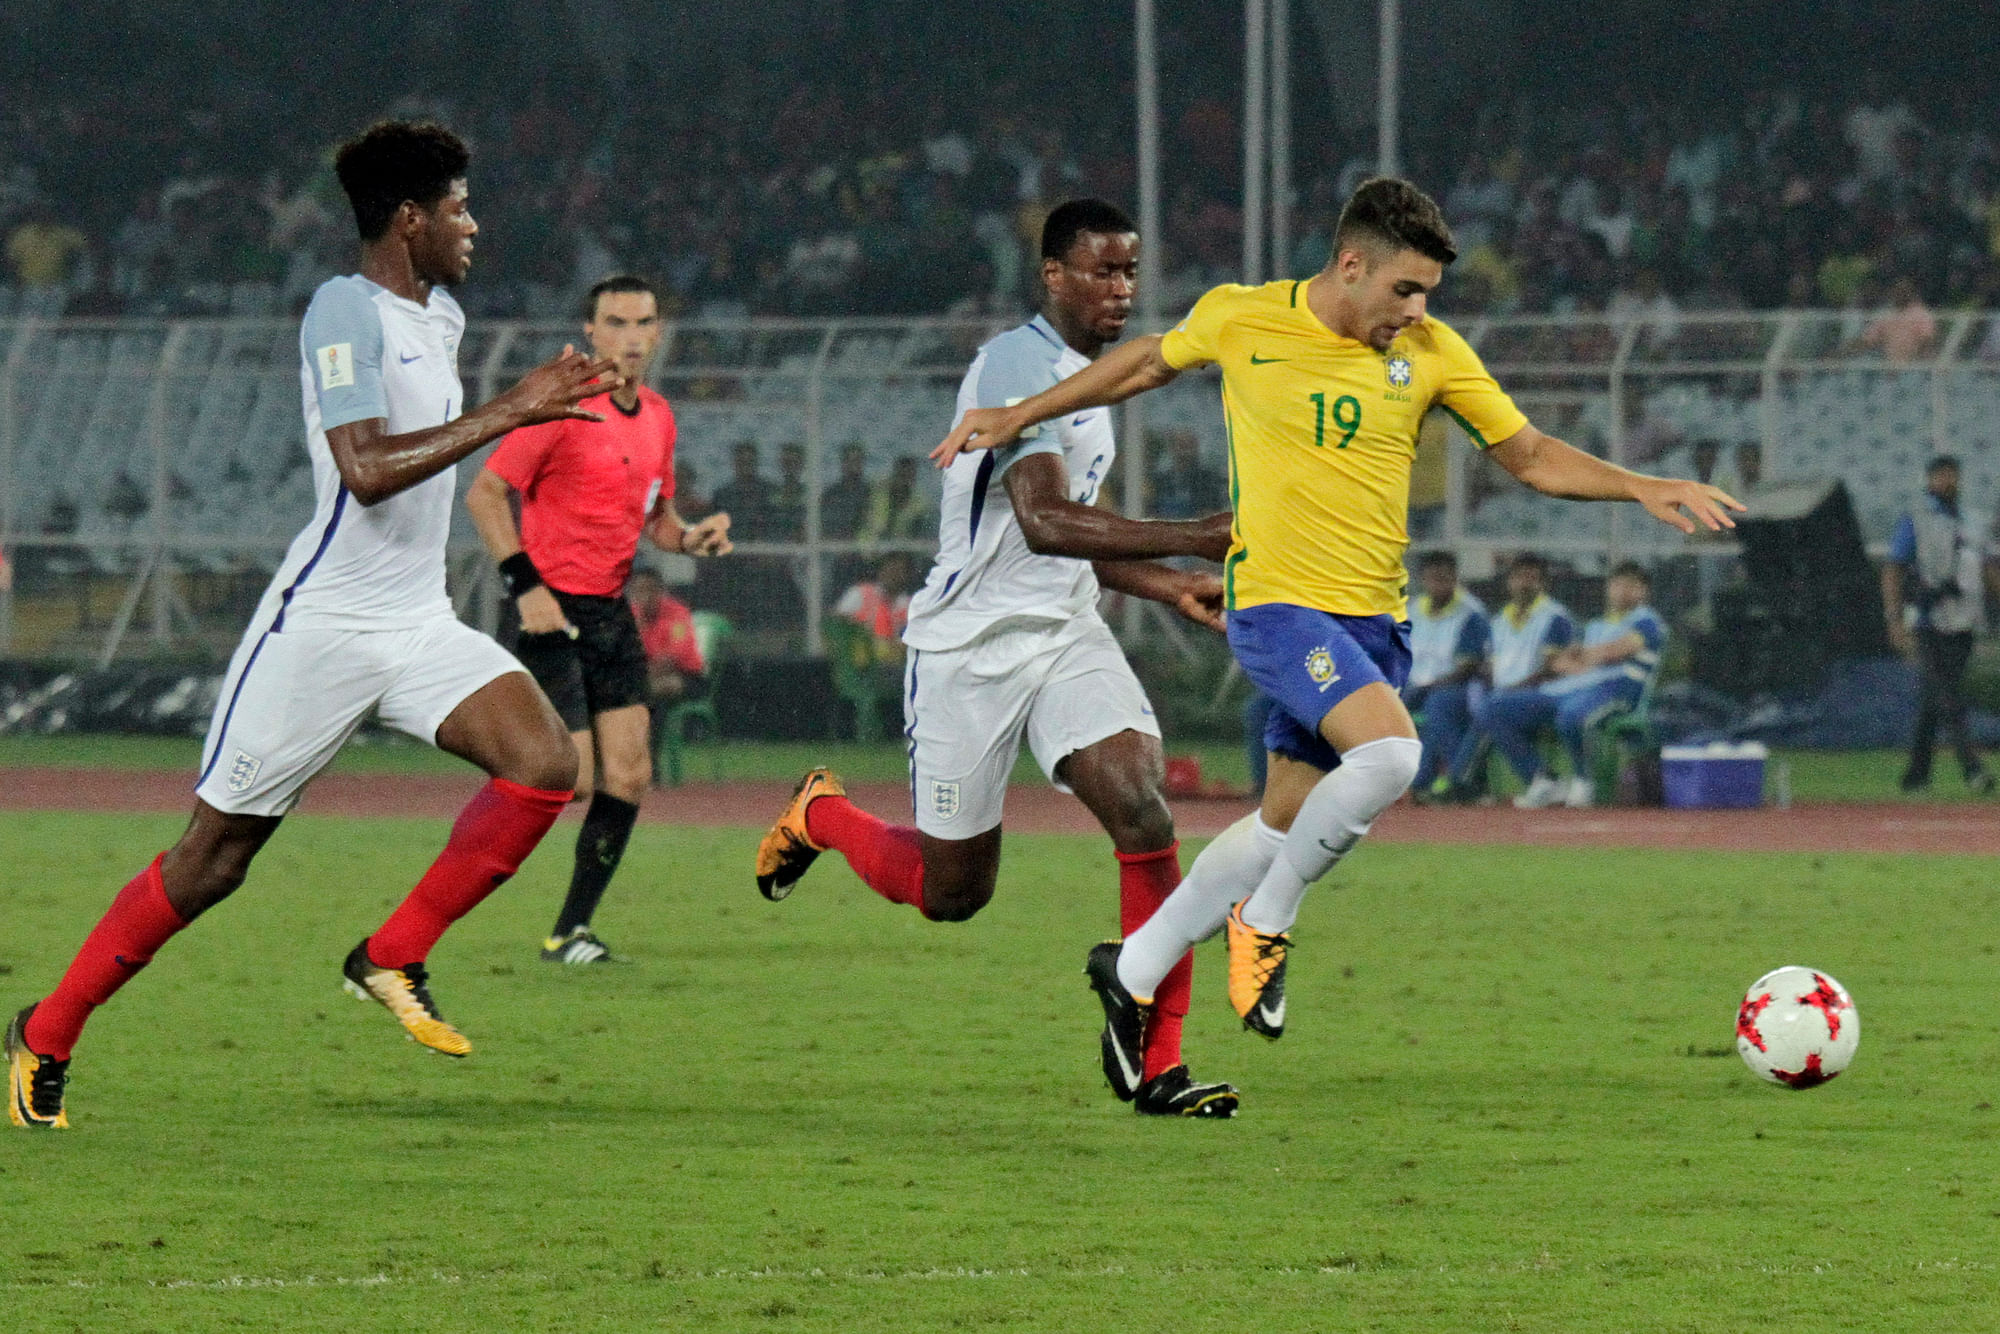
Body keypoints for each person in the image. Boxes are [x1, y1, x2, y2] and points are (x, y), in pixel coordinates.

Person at [931, 176, 1739, 1072]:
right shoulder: (1245, 318)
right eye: (1404, 289)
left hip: (1373, 622)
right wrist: (1020, 413)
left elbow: (1532, 456)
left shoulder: (1432, 351)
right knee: (1392, 756)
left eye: (1428, 293)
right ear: (1351, 266)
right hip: (1278, 605)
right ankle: (1266, 923)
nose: (1417, 309)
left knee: (1278, 828)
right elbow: (1147, 362)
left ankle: (1134, 965)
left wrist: (1640, 485)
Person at [6, 120, 617, 1130]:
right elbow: (367, 471)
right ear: (408, 218)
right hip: (321, 625)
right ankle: (49, 1028)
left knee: (545, 761)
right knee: (214, 859)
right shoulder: (343, 309)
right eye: (458, 206)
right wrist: (513, 409)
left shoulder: (443, 315)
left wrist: (536, 404)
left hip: (415, 620)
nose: (473, 223)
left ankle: (390, 952)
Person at [754, 199, 1242, 1118]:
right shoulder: (1018, 365)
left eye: (1131, 271)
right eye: (1102, 270)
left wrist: (1167, 585)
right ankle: (822, 815)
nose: (1121, 289)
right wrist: (1198, 539)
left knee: (1143, 811)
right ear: (1052, 275)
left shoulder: (1087, 380)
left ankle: (1158, 1062)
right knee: (952, 895)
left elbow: (1077, 541)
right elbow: (1046, 521)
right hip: (968, 651)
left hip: (1064, 635)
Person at [466, 274, 734, 965]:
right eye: (614, 322)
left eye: (642, 323)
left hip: (610, 612)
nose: (630, 337)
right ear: (590, 332)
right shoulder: (562, 409)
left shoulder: (659, 418)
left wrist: (693, 536)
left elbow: (657, 522)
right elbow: (486, 494)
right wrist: (524, 585)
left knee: (631, 774)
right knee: (573, 777)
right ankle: (456, 871)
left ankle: (569, 932)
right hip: (548, 608)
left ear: (657, 332)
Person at [1486, 561, 1666, 809]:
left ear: (1643, 591)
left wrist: (1585, 656)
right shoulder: (1596, 625)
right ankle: (1543, 779)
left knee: (1571, 715)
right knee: (1494, 708)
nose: (1622, 591)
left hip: (1617, 692)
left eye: (1631, 586)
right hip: (1573, 688)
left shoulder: (1647, 621)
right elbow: (1560, 662)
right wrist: (1586, 659)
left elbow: (1621, 650)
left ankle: (1584, 781)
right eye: (1616, 584)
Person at [1882, 455, 1997, 794]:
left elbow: (1988, 570)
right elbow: (1893, 568)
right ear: (1930, 479)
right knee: (1948, 697)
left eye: (1953, 475)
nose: (1949, 481)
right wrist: (1894, 619)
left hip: (1965, 621)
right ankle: (1972, 767)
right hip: (1928, 620)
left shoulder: (1973, 521)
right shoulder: (1916, 519)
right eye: (1942, 475)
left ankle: (1916, 775)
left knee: (1934, 698)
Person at [1445, 552, 1575, 797]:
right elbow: (1492, 667)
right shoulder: (1499, 621)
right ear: (1509, 582)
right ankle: (1466, 783)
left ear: (1543, 584)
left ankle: (1538, 776)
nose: (1525, 583)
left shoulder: (1555, 618)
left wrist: (1511, 691)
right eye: (1519, 577)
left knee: (1490, 710)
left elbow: (1552, 669)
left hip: (1543, 695)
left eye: (1532, 578)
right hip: (1505, 697)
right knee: (1460, 706)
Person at [1403, 550, 1489, 800]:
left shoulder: (1471, 613)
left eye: (1445, 578)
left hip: (1459, 687)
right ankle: (1413, 781)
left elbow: (1469, 666)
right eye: (1433, 578)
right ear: (1422, 579)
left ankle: (1459, 781)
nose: (1439, 584)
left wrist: (1429, 685)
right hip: (1416, 684)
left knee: (1438, 705)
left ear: (1455, 578)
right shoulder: (1412, 610)